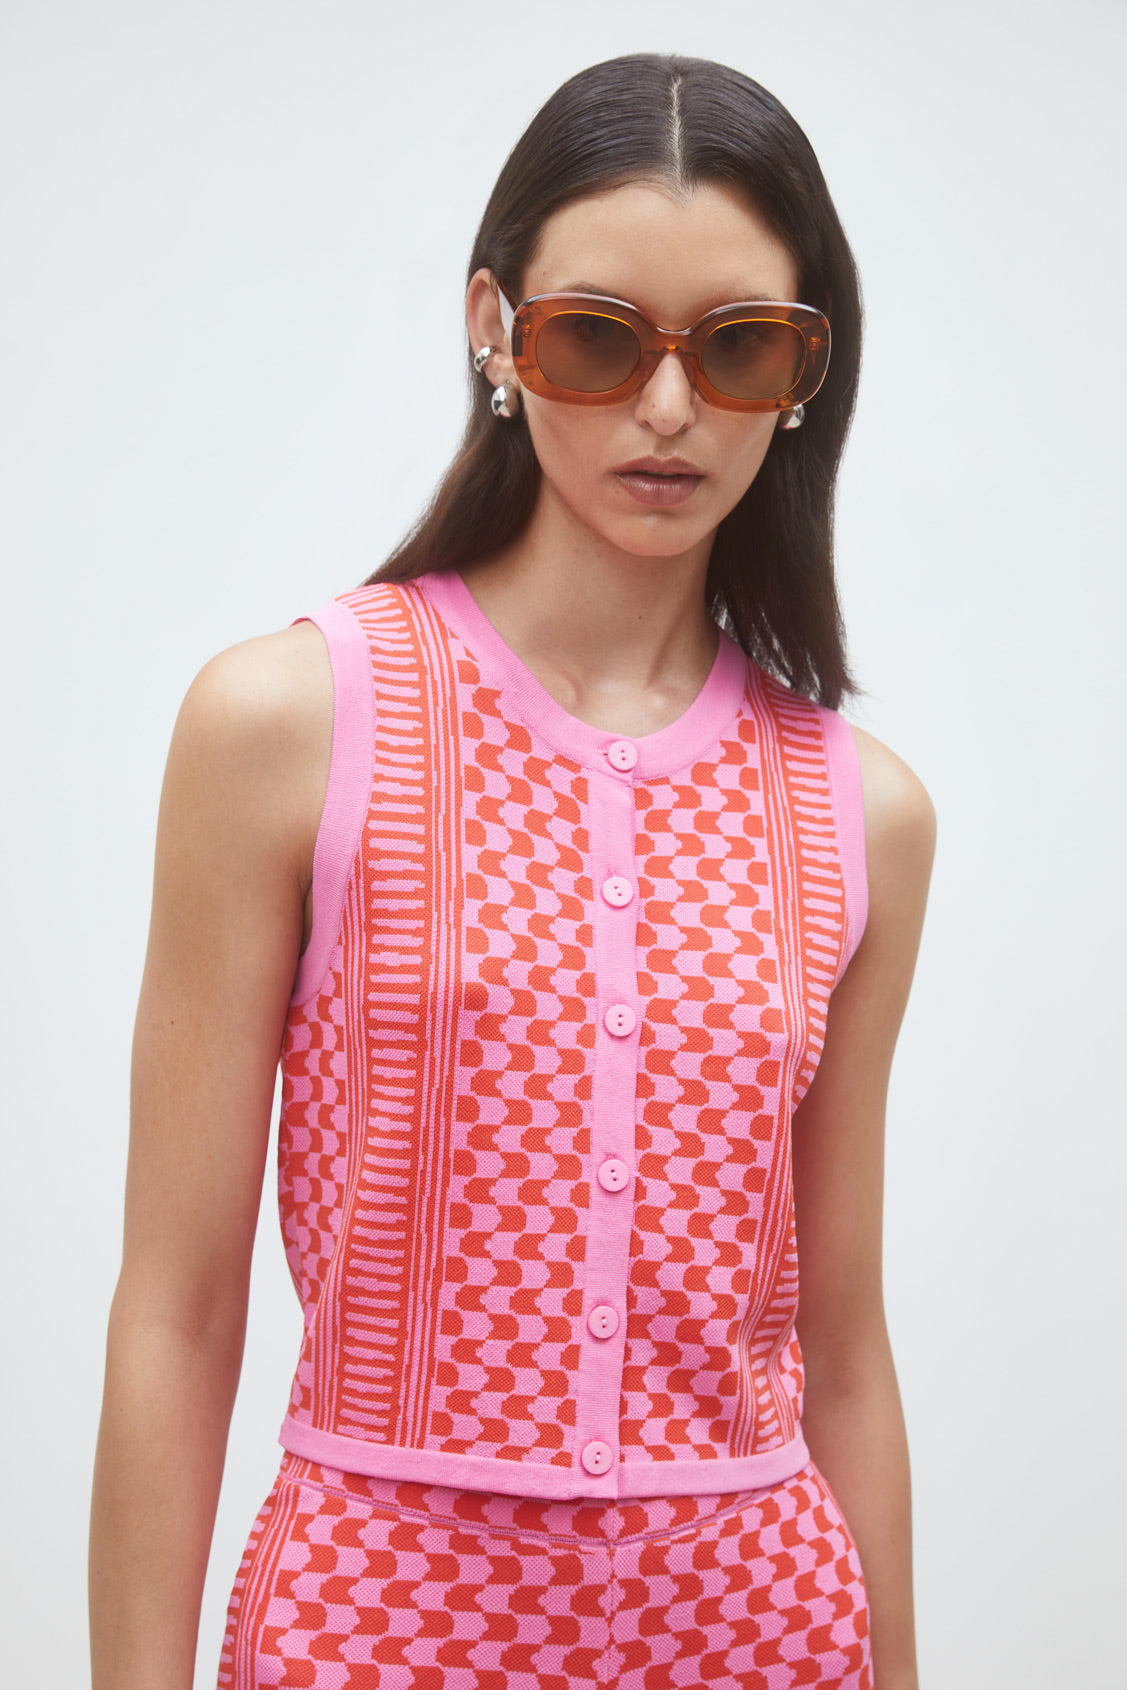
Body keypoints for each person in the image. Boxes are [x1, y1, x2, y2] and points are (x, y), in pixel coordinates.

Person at [90, 52, 933, 1690]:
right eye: (598, 338)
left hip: (758, 1629)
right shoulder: (287, 725)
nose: (669, 409)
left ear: (805, 367)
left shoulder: (861, 813)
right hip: (375, 1625)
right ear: (495, 327)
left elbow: (844, 1351)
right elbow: (175, 1311)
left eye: (738, 345)